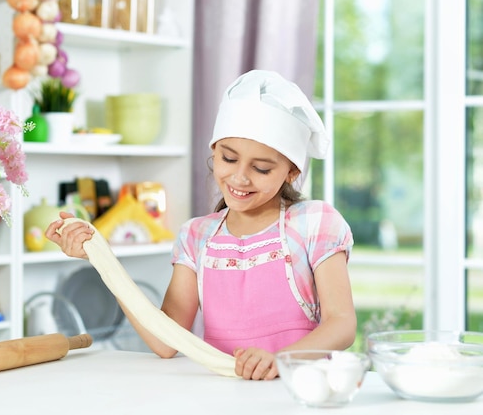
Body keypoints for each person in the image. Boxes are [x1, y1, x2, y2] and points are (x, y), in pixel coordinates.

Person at [45, 70, 356, 381]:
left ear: (291, 171)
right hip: (221, 395)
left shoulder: (315, 223)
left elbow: (341, 323)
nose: (240, 178)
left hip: (300, 390)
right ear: (214, 151)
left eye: (261, 168)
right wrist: (100, 257)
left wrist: (280, 360)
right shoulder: (197, 236)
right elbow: (166, 341)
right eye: (229, 159)